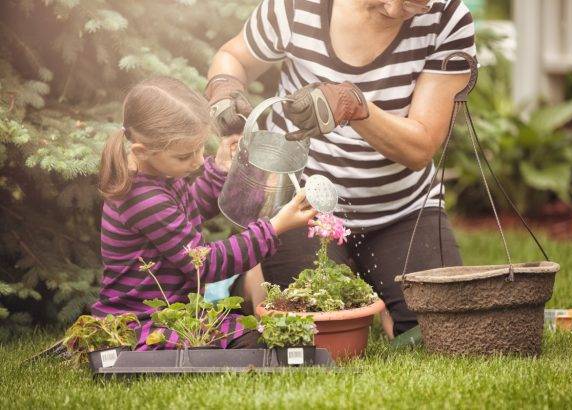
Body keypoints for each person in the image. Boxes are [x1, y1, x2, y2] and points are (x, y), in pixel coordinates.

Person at [206, 0, 475, 338]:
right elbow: (233, 57)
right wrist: (224, 89)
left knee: (443, 330)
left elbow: (420, 149)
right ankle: (251, 275)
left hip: (402, 209)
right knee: (314, 327)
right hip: (303, 208)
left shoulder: (447, 17)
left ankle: (382, 297)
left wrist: (355, 106)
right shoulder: (296, 6)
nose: (393, 10)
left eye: (412, 3)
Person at [91, 76, 316, 350]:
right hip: (141, 323)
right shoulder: (143, 198)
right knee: (251, 342)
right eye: (185, 156)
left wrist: (219, 170)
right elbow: (205, 264)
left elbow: (188, 210)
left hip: (173, 314)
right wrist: (273, 228)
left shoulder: (158, 176)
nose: (198, 161)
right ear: (142, 151)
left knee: (247, 334)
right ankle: (131, 353)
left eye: (199, 149)